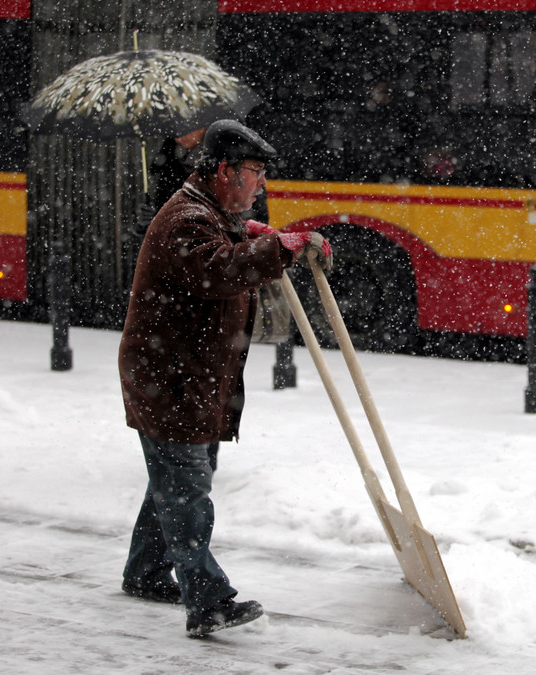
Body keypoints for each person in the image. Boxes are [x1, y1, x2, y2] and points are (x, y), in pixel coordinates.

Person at [118, 119, 331, 637]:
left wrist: (266, 235)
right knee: (187, 491)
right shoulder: (187, 220)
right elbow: (216, 267)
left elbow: (228, 240)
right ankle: (208, 602)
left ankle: (146, 573)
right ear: (221, 170)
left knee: (175, 483)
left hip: (192, 377)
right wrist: (279, 248)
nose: (259, 185)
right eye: (253, 173)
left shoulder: (206, 209)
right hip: (169, 378)